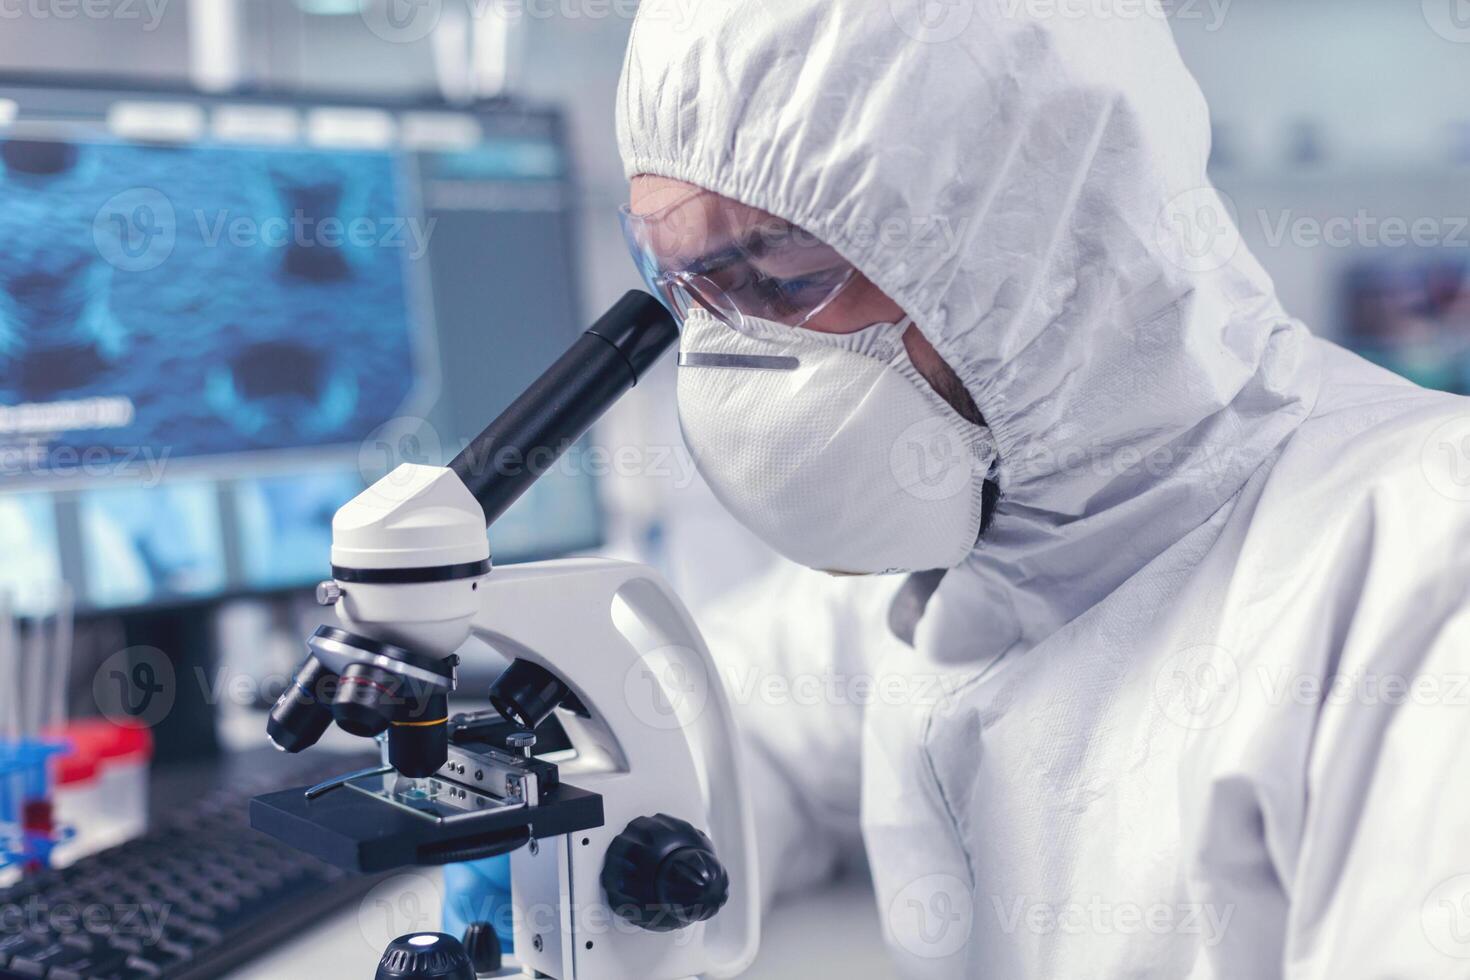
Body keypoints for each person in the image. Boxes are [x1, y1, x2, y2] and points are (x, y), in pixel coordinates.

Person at [453, 1, 1470, 976]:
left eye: (779, 271)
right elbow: (742, 712)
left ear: (1032, 236)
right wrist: (577, 813)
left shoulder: (1419, 574)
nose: (728, 359)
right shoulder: (988, 539)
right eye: (690, 289)